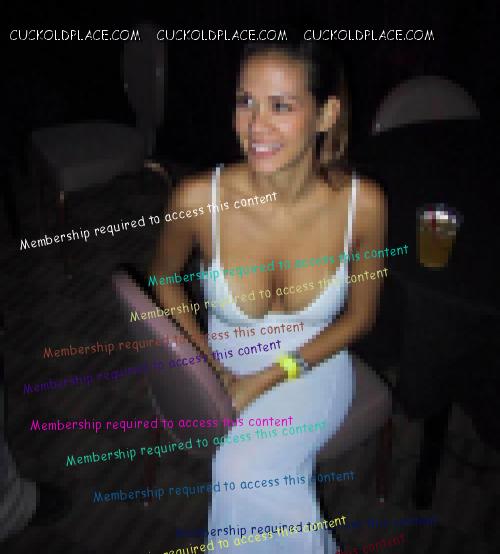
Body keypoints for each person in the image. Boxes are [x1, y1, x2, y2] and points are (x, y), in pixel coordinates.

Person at [151, 38, 386, 553]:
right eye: (245, 101)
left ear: (326, 114)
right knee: (258, 480)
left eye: (281, 106)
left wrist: (269, 377)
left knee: (241, 471)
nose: (255, 126)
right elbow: (163, 278)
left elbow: (360, 319)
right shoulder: (198, 199)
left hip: (314, 366)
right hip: (226, 361)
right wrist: (206, 360)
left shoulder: (363, 205)